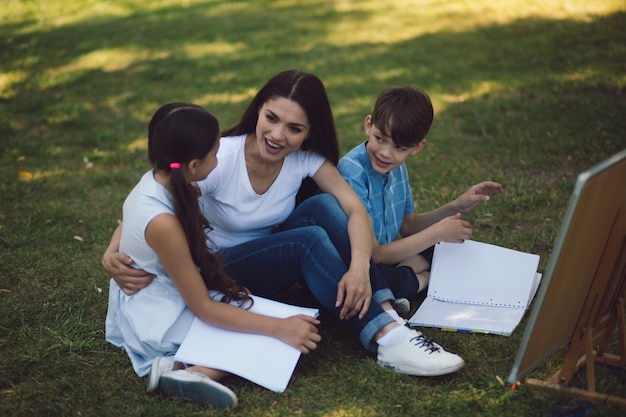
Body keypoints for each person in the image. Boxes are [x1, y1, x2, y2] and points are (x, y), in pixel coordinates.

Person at [103, 70, 465, 378]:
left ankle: (388, 322)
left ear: (309, 132)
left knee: (324, 205)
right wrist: (112, 250)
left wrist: (358, 268)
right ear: (258, 110)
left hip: (264, 265)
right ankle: (388, 337)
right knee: (306, 240)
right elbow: (158, 192)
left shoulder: (304, 161)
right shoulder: (220, 159)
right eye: (271, 118)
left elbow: (355, 211)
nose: (277, 136)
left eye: (294, 128)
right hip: (212, 270)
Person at [104, 102, 322, 408]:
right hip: (160, 312)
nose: (221, 157)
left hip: (174, 290)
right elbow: (204, 308)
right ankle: (190, 371)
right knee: (275, 333)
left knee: (269, 322)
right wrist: (279, 328)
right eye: (216, 151)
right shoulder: (164, 222)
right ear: (193, 165)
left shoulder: (165, 178)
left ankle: (183, 368)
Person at [337, 85, 503, 306]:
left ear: (416, 147)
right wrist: (436, 233)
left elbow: (409, 225)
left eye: (399, 147)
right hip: (357, 265)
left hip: (387, 261)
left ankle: (413, 279)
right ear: (368, 125)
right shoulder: (352, 171)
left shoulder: (396, 167)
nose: (386, 153)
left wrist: (456, 206)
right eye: (380, 139)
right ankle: (424, 280)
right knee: (383, 277)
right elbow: (374, 254)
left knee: (451, 248)